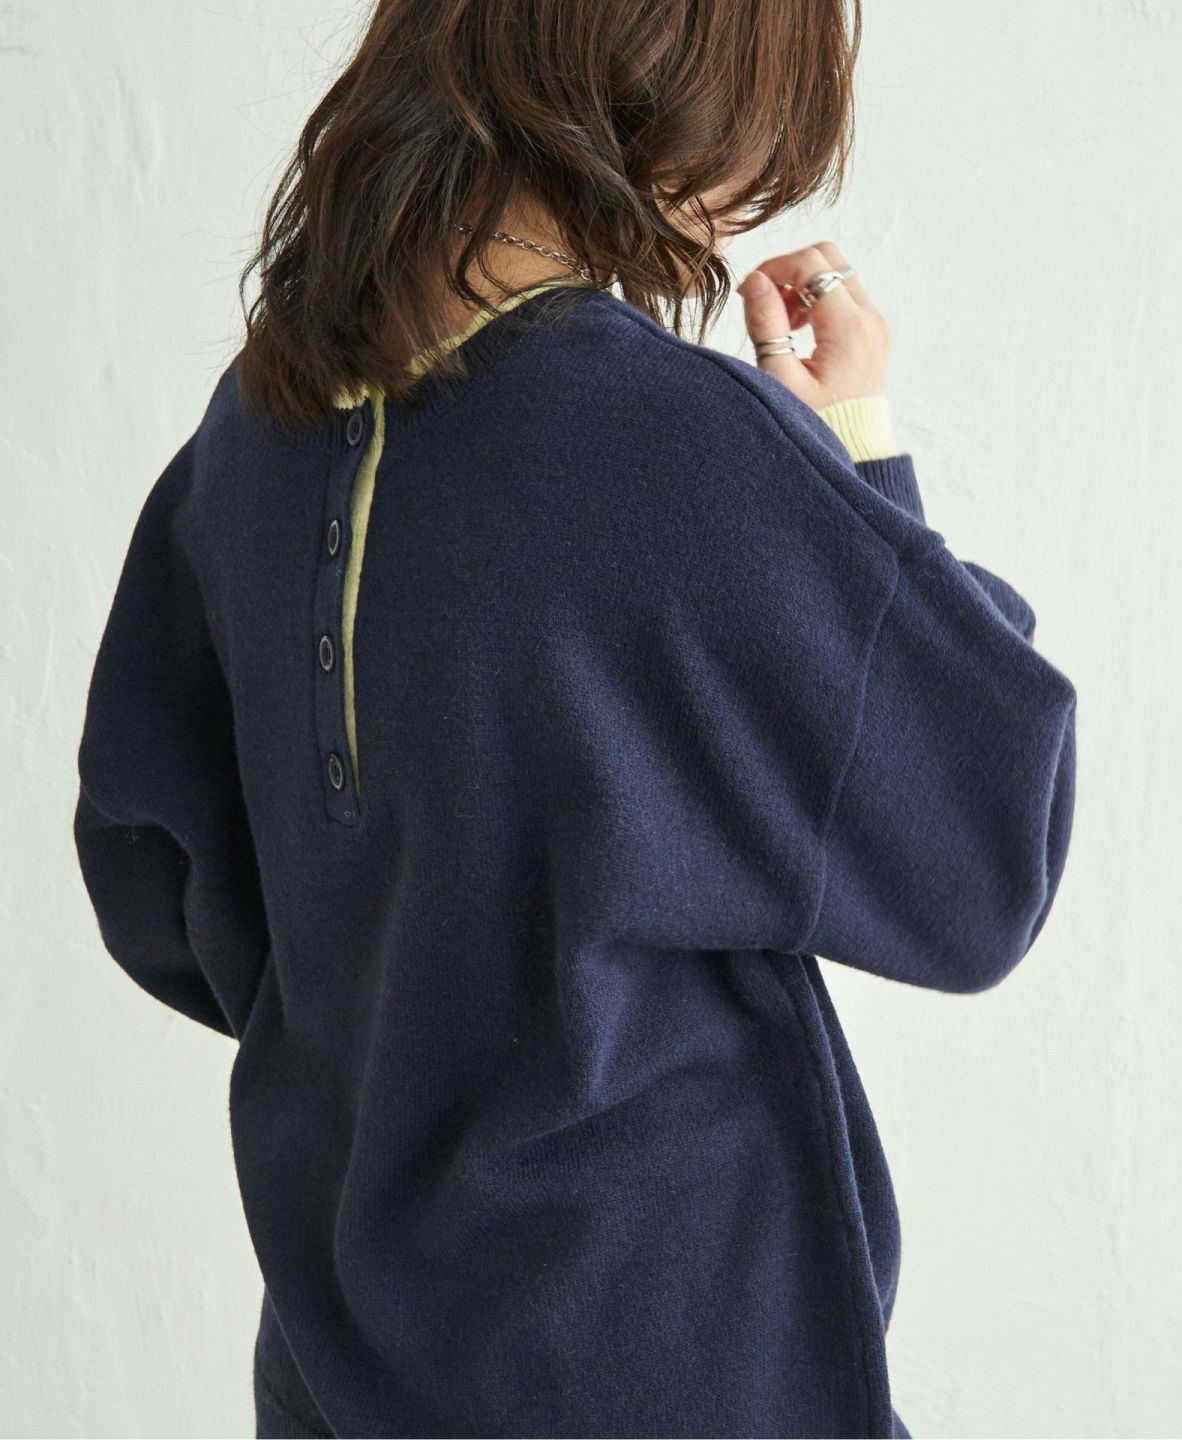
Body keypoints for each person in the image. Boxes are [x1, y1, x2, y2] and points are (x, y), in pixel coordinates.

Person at [71, 1, 1078, 1436]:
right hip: (664, 1364)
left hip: (343, 1360)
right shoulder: (672, 439)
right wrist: (851, 458)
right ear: (663, 77)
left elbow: (150, 875)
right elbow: (980, 847)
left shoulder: (252, 431)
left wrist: (398, 1017)